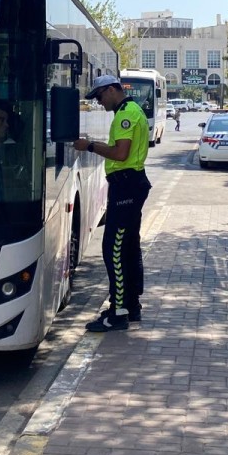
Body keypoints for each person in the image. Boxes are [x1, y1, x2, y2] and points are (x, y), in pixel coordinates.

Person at [73, 74, 151, 332]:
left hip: (126, 186)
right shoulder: (130, 110)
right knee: (129, 248)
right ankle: (131, 305)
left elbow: (120, 153)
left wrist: (90, 146)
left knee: (114, 250)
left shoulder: (125, 114)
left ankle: (117, 313)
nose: (98, 102)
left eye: (99, 96)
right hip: (131, 184)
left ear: (110, 90)